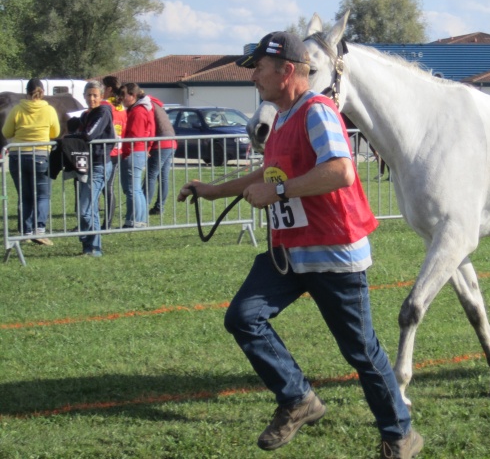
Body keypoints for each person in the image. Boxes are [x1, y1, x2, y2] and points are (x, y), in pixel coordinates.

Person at [178, 32, 422, 458]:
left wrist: (280, 192)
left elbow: (342, 172)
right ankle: (298, 399)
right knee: (243, 317)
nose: (254, 77)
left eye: (259, 68)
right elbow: (266, 174)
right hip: (289, 255)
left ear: (287, 70)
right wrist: (213, 191)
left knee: (361, 352)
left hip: (332, 255)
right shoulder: (283, 118)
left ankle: (400, 434)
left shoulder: (317, 112)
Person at [1, 78, 60, 245]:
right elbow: (55, 132)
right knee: (42, 195)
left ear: (26, 93)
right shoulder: (49, 110)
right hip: (40, 155)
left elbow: (6, 132)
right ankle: (39, 230)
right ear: (42, 92)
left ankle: (26, 231)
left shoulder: (17, 109)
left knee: (25, 196)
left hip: (17, 156)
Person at [72, 81, 115, 256]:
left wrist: (72, 135)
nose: (91, 98)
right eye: (88, 95)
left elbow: (89, 135)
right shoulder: (85, 114)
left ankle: (89, 241)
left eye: (95, 95)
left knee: (85, 209)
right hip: (86, 164)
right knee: (90, 210)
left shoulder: (103, 111)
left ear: (101, 96)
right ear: (83, 96)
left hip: (100, 165)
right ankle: (92, 248)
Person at [119, 83, 154, 228]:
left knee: (132, 189)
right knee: (136, 188)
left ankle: (134, 220)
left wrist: (125, 152)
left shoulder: (138, 111)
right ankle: (139, 220)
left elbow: (135, 135)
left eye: (123, 95)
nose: (121, 98)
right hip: (138, 151)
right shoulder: (141, 109)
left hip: (134, 151)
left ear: (132, 96)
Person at [101, 76, 128, 229]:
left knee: (102, 187)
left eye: (102, 88)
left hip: (105, 150)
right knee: (108, 186)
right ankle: (107, 223)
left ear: (109, 89)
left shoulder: (105, 105)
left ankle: (104, 223)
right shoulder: (121, 107)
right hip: (117, 150)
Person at [146, 96, 177, 216]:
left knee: (151, 176)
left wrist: (148, 146)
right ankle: (160, 207)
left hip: (160, 144)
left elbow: (151, 127)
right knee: (163, 177)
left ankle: (144, 206)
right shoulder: (157, 104)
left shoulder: (148, 105)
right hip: (171, 142)